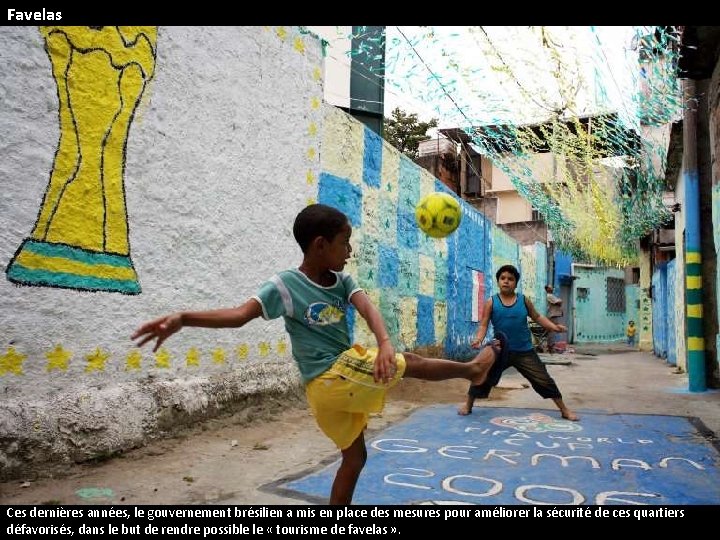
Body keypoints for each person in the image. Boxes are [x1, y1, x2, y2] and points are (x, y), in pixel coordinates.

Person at [131, 203, 502, 505]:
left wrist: (384, 340)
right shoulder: (285, 285)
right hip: (327, 378)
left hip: (329, 388)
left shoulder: (342, 281)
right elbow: (239, 315)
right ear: (321, 244)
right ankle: (472, 371)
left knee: (355, 459)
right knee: (412, 363)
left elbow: (367, 308)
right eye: (345, 243)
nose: (350, 251)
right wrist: (184, 318)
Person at [458, 264, 579, 422]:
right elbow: (483, 324)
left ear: (516, 283)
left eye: (510, 279)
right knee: (482, 374)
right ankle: (468, 405)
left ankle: (564, 409)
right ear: (498, 281)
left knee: (544, 379)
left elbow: (538, 317)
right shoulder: (491, 302)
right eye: (503, 278)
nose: (506, 281)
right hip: (501, 350)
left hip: (524, 351)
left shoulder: (523, 300)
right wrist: (478, 339)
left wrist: (554, 327)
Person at [544, 284, 563, 354]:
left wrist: (559, 301)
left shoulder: (552, 296)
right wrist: (559, 301)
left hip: (553, 315)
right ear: (547, 289)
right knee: (552, 331)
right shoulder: (549, 296)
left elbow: (559, 302)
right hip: (552, 315)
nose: (552, 288)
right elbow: (559, 302)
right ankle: (551, 347)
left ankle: (551, 346)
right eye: (550, 287)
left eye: (552, 287)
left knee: (553, 331)